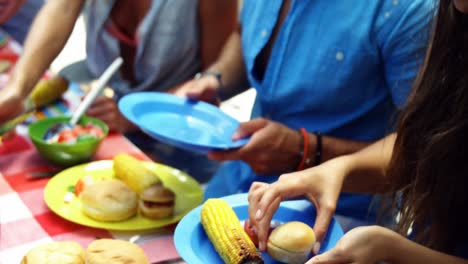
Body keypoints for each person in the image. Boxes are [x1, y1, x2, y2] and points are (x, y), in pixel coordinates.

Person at [248, 0, 468, 261]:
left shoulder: (406, 10)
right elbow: (430, 144)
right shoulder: (454, 20)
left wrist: (392, 248)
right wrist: (340, 168)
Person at [176, 0, 434, 220]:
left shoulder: (409, 10)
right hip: (231, 191)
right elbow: (245, 34)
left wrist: (307, 151)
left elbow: (422, 153)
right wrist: (216, 78)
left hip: (333, 224)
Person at [0, 0, 237, 182]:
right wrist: (17, 90)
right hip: (107, 119)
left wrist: (133, 116)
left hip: (178, 134)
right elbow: (60, 9)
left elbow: (214, 82)